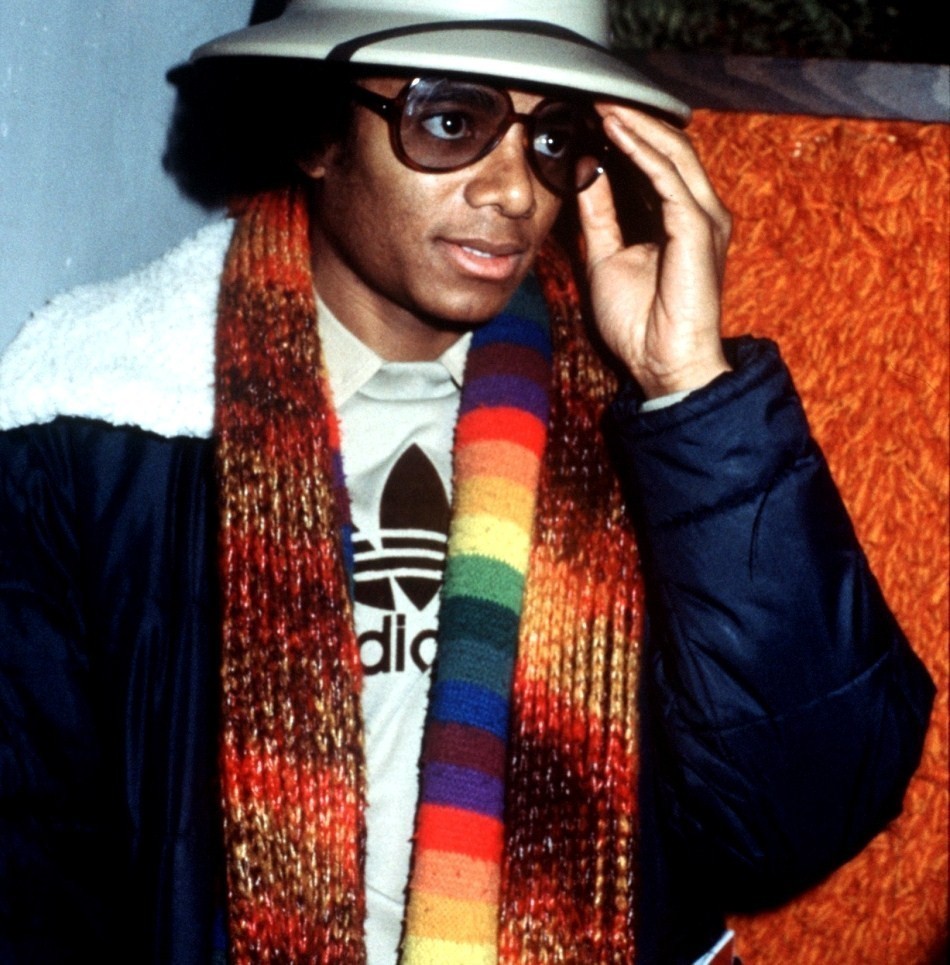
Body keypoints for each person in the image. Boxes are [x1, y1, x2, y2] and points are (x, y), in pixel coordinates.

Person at [0, 2, 935, 963]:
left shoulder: (642, 421)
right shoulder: (97, 424)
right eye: (451, 121)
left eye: (551, 137)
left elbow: (802, 812)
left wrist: (689, 388)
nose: (516, 190)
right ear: (318, 133)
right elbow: (32, 872)